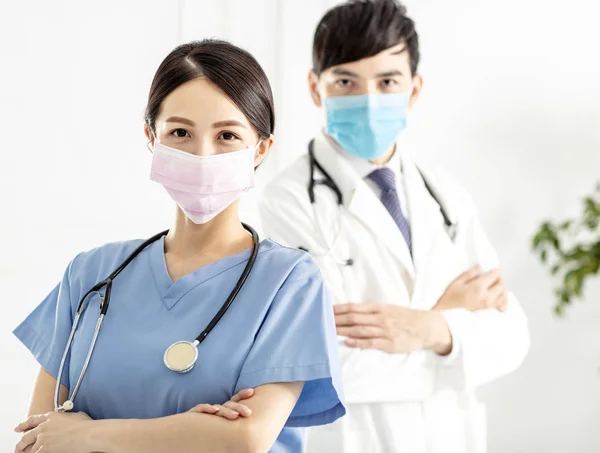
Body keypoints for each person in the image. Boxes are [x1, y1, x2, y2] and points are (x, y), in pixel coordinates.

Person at [12, 39, 345, 453]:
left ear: (261, 149)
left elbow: (245, 439)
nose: (202, 154)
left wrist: (87, 434)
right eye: (181, 132)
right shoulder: (90, 274)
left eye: (226, 135)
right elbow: (36, 442)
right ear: (152, 137)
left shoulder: (289, 282)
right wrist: (189, 432)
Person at [258, 1, 530, 452]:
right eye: (346, 81)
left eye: (387, 81)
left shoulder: (447, 197)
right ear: (314, 86)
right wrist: (452, 328)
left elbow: (511, 338)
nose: (368, 99)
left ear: (415, 88)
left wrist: (427, 328)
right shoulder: (286, 202)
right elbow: (324, 367)